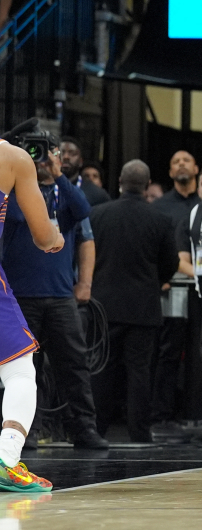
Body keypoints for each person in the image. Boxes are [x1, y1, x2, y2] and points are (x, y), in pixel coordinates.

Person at [3, 139, 104, 450]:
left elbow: (84, 211)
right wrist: (26, 175)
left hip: (60, 294)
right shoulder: (15, 174)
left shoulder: (65, 192)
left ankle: (84, 428)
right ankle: (24, 436)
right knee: (24, 367)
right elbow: (25, 221)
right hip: (21, 292)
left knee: (74, 364)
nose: (42, 158)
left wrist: (58, 175)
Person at [89, 160, 178, 445]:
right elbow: (171, 263)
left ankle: (97, 429)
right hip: (143, 306)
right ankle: (140, 432)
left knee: (102, 369)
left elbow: (85, 257)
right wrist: (154, 282)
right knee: (139, 372)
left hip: (103, 305)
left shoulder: (97, 215)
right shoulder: (160, 220)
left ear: (119, 182)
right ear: (147, 185)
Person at [0, 137, 66, 490]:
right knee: (19, 370)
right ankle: (6, 459)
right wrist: (56, 237)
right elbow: (43, 236)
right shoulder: (12, 157)